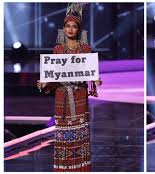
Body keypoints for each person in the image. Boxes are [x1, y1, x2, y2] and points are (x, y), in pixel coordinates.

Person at [37, 3, 102, 172]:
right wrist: (44, 82)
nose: (70, 30)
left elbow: (89, 71)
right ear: (64, 29)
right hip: (62, 96)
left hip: (79, 94)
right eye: (67, 26)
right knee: (63, 133)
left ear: (78, 29)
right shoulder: (57, 50)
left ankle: (80, 168)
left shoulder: (85, 49)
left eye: (74, 27)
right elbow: (53, 73)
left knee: (80, 131)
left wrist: (95, 80)